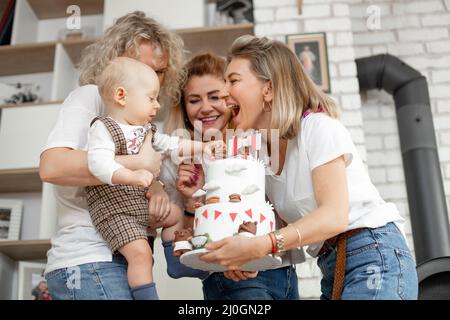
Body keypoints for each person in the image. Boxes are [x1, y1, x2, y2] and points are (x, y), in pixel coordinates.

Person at [200, 35, 418, 300]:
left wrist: (262, 246)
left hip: (373, 252)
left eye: (233, 80)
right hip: (331, 267)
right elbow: (270, 227)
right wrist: (248, 259)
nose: (224, 92)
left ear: (268, 89)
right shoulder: (259, 156)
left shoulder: (318, 128)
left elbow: (334, 216)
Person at [39, 12, 199, 300]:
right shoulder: (90, 98)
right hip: (90, 260)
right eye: (141, 65)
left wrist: (159, 185)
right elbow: (52, 167)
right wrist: (141, 165)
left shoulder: (144, 124)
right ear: (115, 62)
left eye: (161, 70)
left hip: (125, 261)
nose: (153, 78)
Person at [161, 52, 302, 300]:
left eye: (215, 96)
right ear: (184, 108)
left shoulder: (262, 141)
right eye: (194, 100)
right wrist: (192, 202)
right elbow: (177, 266)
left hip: (285, 275)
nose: (206, 108)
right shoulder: (181, 162)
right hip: (232, 282)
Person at [86, 57, 222, 299]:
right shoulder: (103, 128)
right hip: (115, 210)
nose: (157, 106)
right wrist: (131, 174)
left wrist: (201, 148)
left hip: (139, 203)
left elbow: (172, 144)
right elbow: (97, 163)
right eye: (151, 98)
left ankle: (177, 262)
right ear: (121, 96)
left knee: (175, 215)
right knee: (141, 255)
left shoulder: (147, 130)